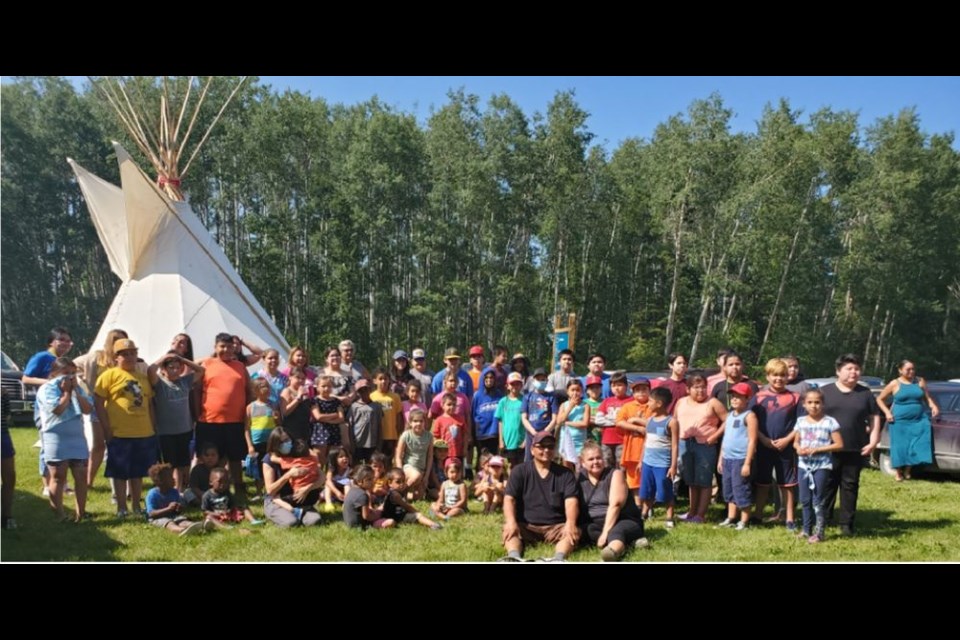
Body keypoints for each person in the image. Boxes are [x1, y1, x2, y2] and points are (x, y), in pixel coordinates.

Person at [94, 338, 157, 518]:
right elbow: (98, 402)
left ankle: (136, 506)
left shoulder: (143, 378)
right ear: (116, 357)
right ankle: (122, 507)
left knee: (137, 472)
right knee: (120, 472)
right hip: (119, 432)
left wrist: (153, 426)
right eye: (125, 354)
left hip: (143, 431)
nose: (129, 357)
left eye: (132, 353)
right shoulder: (108, 376)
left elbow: (150, 403)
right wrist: (106, 428)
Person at [820, 354, 881, 536]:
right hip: (827, 447)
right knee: (827, 484)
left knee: (850, 485)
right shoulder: (825, 392)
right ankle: (823, 518)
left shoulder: (865, 393)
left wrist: (874, 441)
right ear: (838, 371)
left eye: (856, 369)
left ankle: (846, 524)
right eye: (849, 369)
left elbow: (874, 417)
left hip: (855, 446)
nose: (853, 373)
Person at [75, 328, 143, 489]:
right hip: (98, 405)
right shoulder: (96, 357)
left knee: (120, 445)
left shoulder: (128, 359)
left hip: (121, 408)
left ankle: (124, 483)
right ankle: (88, 482)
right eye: (115, 340)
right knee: (99, 445)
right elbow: (75, 364)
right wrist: (83, 383)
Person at [499, 431, 581, 562]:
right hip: (526, 525)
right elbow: (509, 499)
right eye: (541, 446)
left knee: (571, 533)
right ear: (532, 450)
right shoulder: (519, 471)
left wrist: (570, 523)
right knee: (509, 530)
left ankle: (558, 559)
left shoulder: (566, 474)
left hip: (556, 527)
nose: (546, 450)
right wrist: (510, 521)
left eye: (550, 446)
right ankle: (514, 557)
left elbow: (571, 501)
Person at [196, 332, 252, 497]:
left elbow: (248, 391)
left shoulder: (240, 367)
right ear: (215, 347)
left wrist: (247, 413)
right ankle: (208, 490)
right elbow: (196, 390)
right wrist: (195, 413)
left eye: (229, 346)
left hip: (235, 421)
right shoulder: (206, 364)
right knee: (210, 458)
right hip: (209, 421)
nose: (226, 349)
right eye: (222, 346)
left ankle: (238, 488)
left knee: (235, 458)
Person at [37, 357, 92, 521]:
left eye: (73, 373)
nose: (69, 377)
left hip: (77, 437)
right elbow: (58, 410)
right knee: (58, 476)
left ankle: (80, 513)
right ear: (54, 374)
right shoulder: (46, 389)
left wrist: (75, 391)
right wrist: (66, 392)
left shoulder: (78, 389)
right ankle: (59, 514)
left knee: (81, 476)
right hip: (56, 437)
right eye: (65, 373)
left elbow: (88, 409)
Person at [578, 441, 646, 561]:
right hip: (596, 524)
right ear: (583, 463)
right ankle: (630, 543)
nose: (595, 462)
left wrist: (605, 534)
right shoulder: (579, 479)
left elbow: (616, 505)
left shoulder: (615, 474)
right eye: (591, 459)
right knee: (585, 530)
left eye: (599, 458)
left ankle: (611, 554)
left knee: (616, 531)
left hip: (623, 519)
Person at [26, 327, 74, 497]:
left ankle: (63, 483)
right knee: (48, 445)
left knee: (64, 446)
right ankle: (47, 484)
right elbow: (26, 378)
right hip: (45, 409)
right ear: (52, 342)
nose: (66, 344)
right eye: (62, 340)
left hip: (65, 408)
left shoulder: (64, 361)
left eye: (68, 341)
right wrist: (50, 382)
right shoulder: (42, 357)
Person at [752, 358, 799, 529]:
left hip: (786, 448)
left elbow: (802, 423)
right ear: (768, 376)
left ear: (788, 377)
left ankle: (789, 518)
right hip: (764, 446)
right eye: (775, 375)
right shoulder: (758, 397)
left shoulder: (795, 397)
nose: (779, 379)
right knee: (762, 482)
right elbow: (750, 421)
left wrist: (787, 439)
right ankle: (757, 515)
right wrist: (762, 439)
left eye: (783, 375)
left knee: (787, 484)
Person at [148, 352, 205, 494]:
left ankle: (180, 489)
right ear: (163, 369)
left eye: (177, 368)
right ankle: (168, 488)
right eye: (171, 367)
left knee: (183, 463)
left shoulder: (184, 381)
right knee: (169, 464)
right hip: (166, 431)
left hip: (185, 429)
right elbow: (150, 370)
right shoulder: (159, 383)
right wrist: (164, 357)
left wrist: (182, 360)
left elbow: (201, 370)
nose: (174, 370)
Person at [675, 374, 727, 523]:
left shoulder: (713, 402)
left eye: (703, 387)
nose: (701, 391)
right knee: (691, 480)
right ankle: (692, 512)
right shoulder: (681, 402)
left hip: (705, 444)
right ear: (688, 389)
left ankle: (701, 514)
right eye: (696, 387)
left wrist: (715, 435)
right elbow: (675, 420)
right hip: (685, 443)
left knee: (704, 480)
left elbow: (727, 420)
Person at [794, 389, 844, 543]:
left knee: (818, 499)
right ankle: (806, 529)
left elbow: (839, 444)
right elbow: (796, 441)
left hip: (822, 465)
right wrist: (798, 448)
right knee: (805, 499)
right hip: (804, 466)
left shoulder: (829, 422)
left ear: (822, 404)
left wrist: (819, 450)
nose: (814, 406)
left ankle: (819, 532)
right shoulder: (801, 421)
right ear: (804, 404)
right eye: (810, 402)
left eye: (817, 402)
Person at [876, 359, 938, 481]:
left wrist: (933, 405)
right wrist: (887, 412)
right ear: (900, 370)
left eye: (913, 369)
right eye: (908, 369)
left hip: (918, 418)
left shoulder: (920, 381)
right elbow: (879, 399)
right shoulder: (895, 383)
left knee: (916, 444)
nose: (911, 371)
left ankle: (908, 470)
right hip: (899, 420)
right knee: (900, 446)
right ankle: (898, 472)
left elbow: (927, 397)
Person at [260, 427, 322, 527]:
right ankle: (276, 513)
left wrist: (307, 489)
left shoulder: (298, 452)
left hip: (298, 499)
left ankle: (299, 512)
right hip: (276, 499)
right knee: (291, 523)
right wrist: (288, 475)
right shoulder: (269, 460)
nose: (286, 443)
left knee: (314, 521)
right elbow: (270, 491)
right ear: (275, 445)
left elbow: (322, 477)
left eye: (287, 440)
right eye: (281, 442)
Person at [716, 383, 758, 531]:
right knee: (729, 490)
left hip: (741, 459)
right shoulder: (729, 416)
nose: (734, 400)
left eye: (739, 397)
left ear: (747, 399)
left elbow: (752, 440)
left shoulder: (750, 416)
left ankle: (744, 521)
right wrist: (721, 458)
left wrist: (747, 463)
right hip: (727, 458)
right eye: (733, 397)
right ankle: (731, 517)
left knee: (741, 489)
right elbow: (725, 438)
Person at [637, 387, 680, 527]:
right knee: (647, 490)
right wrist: (640, 461)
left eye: (650, 401)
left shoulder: (671, 422)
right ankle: (644, 513)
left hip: (663, 463)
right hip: (647, 462)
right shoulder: (649, 420)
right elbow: (646, 442)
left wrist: (673, 466)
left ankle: (669, 517)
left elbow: (674, 445)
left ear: (659, 403)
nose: (648, 403)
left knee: (665, 490)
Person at [616, 377, 653, 504]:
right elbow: (619, 422)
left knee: (648, 478)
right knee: (634, 479)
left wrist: (636, 420)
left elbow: (658, 423)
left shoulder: (654, 406)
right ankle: (638, 505)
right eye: (637, 390)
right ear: (633, 392)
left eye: (644, 389)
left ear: (649, 391)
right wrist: (637, 427)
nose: (641, 392)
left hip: (650, 448)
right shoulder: (628, 406)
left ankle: (648, 505)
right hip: (632, 449)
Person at [145, 463, 207, 536]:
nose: (174, 479)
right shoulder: (152, 494)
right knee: (169, 523)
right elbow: (151, 514)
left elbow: (177, 510)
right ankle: (181, 531)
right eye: (170, 477)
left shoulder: (174, 492)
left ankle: (199, 527)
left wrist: (178, 508)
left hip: (173, 515)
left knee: (183, 521)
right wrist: (168, 509)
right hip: (158, 518)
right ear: (160, 481)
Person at [245, 378, 279, 495]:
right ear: (255, 390)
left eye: (268, 386)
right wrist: (250, 445)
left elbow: (278, 424)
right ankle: (259, 491)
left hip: (270, 443)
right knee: (258, 468)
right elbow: (246, 428)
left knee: (271, 465)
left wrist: (277, 418)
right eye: (263, 386)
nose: (267, 389)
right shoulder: (250, 407)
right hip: (257, 442)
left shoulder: (273, 405)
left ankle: (270, 489)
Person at [594, 371, 632, 469]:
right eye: (613, 385)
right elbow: (598, 420)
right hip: (607, 439)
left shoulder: (631, 401)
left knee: (622, 465)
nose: (616, 388)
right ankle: (608, 484)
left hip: (623, 439)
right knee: (606, 465)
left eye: (619, 385)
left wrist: (609, 418)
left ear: (626, 386)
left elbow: (630, 420)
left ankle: (621, 484)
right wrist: (619, 421)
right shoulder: (607, 401)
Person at [521, 369, 559, 462]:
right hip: (531, 434)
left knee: (546, 457)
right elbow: (524, 418)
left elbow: (554, 419)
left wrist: (545, 432)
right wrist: (533, 432)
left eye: (543, 379)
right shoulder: (527, 397)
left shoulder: (551, 397)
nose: (541, 381)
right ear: (533, 380)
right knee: (529, 460)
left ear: (547, 381)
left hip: (547, 434)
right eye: (538, 379)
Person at [395, 409, 433, 500]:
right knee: (416, 476)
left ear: (425, 422)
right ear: (410, 422)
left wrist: (427, 476)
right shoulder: (406, 435)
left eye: (421, 421)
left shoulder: (429, 436)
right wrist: (401, 473)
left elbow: (430, 456)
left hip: (421, 469)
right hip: (408, 467)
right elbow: (398, 456)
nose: (418, 424)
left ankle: (407, 493)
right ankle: (399, 491)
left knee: (418, 497)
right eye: (415, 421)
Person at [279, 367, 319, 447]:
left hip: (305, 429)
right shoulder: (287, 391)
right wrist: (298, 398)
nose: (301, 381)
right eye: (297, 378)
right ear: (290, 377)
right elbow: (285, 412)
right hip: (291, 429)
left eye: (303, 378)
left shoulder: (305, 392)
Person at [556, 379, 591, 471]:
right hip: (566, 440)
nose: (575, 393)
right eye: (572, 390)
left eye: (578, 390)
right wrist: (570, 407)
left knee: (580, 467)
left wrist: (567, 422)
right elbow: (559, 421)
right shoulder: (564, 405)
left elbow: (585, 423)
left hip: (580, 442)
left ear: (582, 391)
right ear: (567, 391)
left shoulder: (585, 406)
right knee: (567, 466)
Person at [311, 375, 346, 463]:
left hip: (333, 431)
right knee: (320, 456)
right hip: (320, 431)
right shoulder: (315, 400)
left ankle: (331, 474)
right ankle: (321, 474)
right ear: (317, 387)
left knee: (333, 456)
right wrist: (334, 415)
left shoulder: (336, 401)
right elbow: (318, 416)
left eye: (329, 386)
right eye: (323, 386)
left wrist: (326, 419)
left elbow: (341, 418)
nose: (326, 389)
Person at [345, 379, 382, 463]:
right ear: (357, 392)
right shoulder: (354, 407)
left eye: (366, 389)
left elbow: (380, 425)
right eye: (361, 390)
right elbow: (350, 426)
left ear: (370, 390)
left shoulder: (376, 406)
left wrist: (379, 444)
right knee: (358, 466)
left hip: (373, 442)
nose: (364, 392)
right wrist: (352, 444)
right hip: (358, 442)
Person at [369, 368, 402, 459]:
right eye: (380, 379)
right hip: (376, 435)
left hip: (391, 435)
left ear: (389, 380)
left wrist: (398, 433)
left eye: (386, 379)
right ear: (374, 381)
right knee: (376, 460)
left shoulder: (395, 397)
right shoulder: (371, 397)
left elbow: (398, 416)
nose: (383, 381)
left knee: (388, 460)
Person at [496, 372, 527, 467]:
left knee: (520, 467)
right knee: (508, 468)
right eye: (512, 384)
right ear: (507, 386)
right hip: (507, 442)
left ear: (521, 385)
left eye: (518, 384)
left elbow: (528, 421)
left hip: (520, 442)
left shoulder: (525, 400)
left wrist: (526, 440)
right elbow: (500, 422)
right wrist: (501, 441)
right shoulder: (503, 402)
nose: (515, 386)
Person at [473, 369, 504, 456]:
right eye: (486, 377)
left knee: (494, 457)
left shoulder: (499, 395)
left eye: (491, 377)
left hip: (494, 432)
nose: (489, 380)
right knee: (482, 457)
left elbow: (502, 415)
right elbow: (473, 415)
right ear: (482, 379)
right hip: (482, 432)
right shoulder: (477, 396)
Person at [432, 392, 467, 467]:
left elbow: (465, 435)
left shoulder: (460, 419)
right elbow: (436, 437)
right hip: (444, 453)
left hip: (458, 452)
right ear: (442, 405)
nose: (452, 407)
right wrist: (437, 451)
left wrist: (465, 448)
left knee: (458, 470)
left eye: (454, 405)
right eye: (449, 404)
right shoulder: (439, 420)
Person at [251, 348, 289, 412]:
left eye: (276, 358)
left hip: (279, 414)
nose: (273, 360)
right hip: (260, 412)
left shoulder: (284, 378)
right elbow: (251, 394)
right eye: (270, 358)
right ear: (264, 359)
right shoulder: (256, 376)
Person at [183, 442, 220, 507]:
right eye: (207, 455)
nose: (210, 458)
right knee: (187, 492)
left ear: (218, 456)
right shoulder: (197, 469)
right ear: (201, 457)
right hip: (200, 494)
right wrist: (203, 495)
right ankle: (202, 504)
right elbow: (193, 487)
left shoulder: (219, 470)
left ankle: (211, 503)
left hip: (215, 494)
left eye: (213, 455)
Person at [342, 464, 377, 529]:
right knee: (389, 521)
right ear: (359, 481)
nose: (373, 482)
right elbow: (366, 516)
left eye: (373, 478)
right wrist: (377, 516)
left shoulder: (352, 490)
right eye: (369, 479)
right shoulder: (363, 495)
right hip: (359, 526)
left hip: (349, 524)